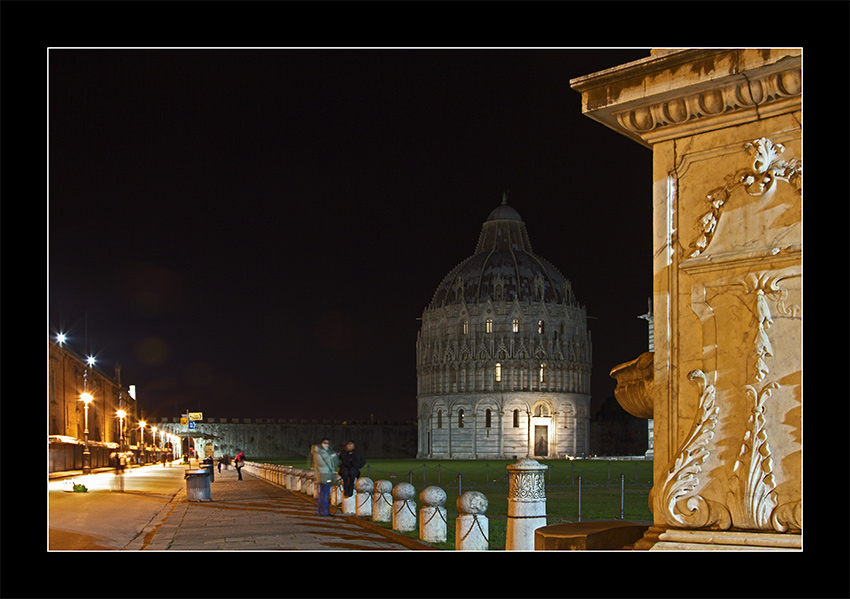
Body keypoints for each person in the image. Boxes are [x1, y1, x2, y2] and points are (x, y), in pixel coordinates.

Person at [311, 439, 340, 516]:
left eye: (327, 443)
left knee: (322, 494)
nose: (327, 445)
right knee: (325, 494)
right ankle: (324, 511)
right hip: (324, 475)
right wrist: (331, 456)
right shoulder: (318, 453)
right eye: (325, 443)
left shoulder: (322, 452)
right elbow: (321, 464)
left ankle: (320, 510)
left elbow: (336, 463)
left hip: (324, 475)